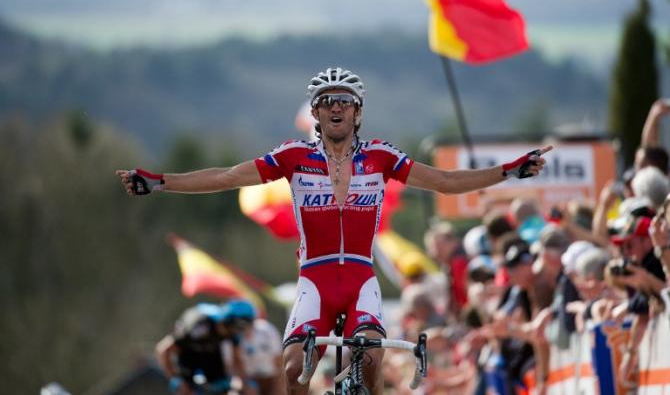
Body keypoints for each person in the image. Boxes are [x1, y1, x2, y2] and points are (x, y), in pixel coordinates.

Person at [117, 67, 551, 395]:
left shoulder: (381, 157)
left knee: (371, 362)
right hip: (315, 281)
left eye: (345, 101)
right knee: (293, 372)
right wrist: (160, 182)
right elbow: (227, 176)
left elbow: (446, 181)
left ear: (358, 112)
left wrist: (509, 171)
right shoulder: (293, 157)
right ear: (316, 113)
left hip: (361, 279)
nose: (336, 107)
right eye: (327, 102)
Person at [155, 303, 256, 395]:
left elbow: (237, 359)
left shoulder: (231, 332)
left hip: (212, 359)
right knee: (187, 390)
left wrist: (245, 383)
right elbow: (163, 349)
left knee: (226, 388)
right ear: (230, 321)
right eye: (241, 326)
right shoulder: (200, 326)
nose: (241, 331)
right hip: (188, 359)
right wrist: (175, 379)